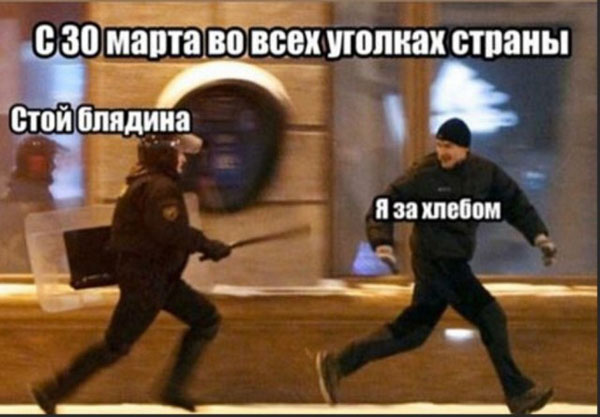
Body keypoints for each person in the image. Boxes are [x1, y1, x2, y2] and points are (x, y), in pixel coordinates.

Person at [316, 118, 558, 415]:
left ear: (465, 149)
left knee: (413, 332)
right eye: (440, 145)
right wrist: (382, 242)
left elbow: (515, 204)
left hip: (452, 261)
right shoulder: (425, 173)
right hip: (437, 261)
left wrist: (539, 236)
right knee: (491, 316)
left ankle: (338, 363)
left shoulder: (485, 173)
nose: (442, 152)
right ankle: (518, 393)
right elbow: (385, 204)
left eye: (449, 147)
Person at [31, 133, 232, 414]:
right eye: (179, 153)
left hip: (159, 279)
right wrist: (206, 244)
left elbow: (159, 233)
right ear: (164, 154)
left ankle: (173, 389)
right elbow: (168, 231)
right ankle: (52, 390)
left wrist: (203, 247)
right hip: (147, 281)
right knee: (115, 346)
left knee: (206, 319)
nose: (183, 159)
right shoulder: (160, 187)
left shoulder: (144, 182)